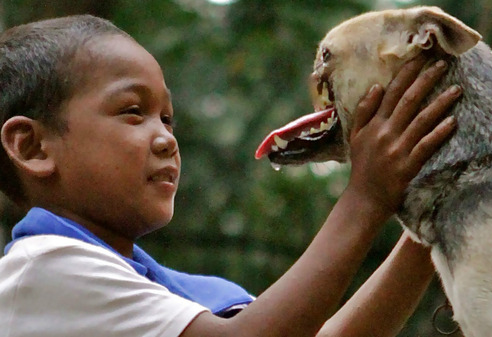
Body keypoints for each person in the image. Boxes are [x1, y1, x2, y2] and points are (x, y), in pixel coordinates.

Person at [0, 15, 460, 337]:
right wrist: (366, 197)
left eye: (167, 119)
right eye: (132, 112)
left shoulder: (160, 289)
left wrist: (427, 227)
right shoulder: (41, 269)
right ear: (32, 147)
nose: (165, 139)